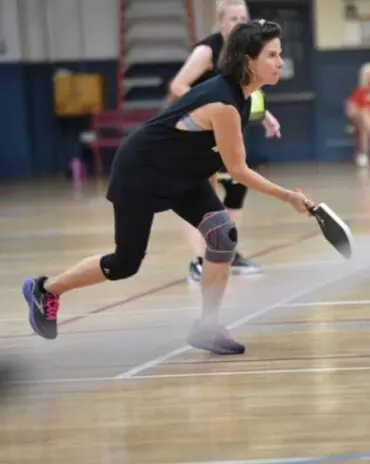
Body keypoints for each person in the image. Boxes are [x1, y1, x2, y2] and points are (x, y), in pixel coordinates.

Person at [21, 20, 313, 355]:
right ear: (249, 61)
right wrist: (288, 196)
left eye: (280, 54)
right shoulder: (224, 104)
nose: (279, 62)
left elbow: (212, 154)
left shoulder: (244, 96)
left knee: (222, 235)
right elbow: (238, 169)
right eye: (272, 55)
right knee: (125, 263)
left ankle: (207, 326)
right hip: (140, 172)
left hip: (182, 175)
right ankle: (46, 289)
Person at [169, 0, 279, 280]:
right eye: (233, 18)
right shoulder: (208, 50)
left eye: (244, 18)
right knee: (201, 195)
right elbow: (178, 85)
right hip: (197, 132)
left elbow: (244, 91)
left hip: (226, 130)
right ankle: (198, 260)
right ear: (220, 23)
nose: (239, 23)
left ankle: (228, 253)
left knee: (237, 189)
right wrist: (203, 107)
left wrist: (264, 114)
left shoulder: (244, 51)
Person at [345, 62, 370, 167]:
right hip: (362, 119)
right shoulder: (360, 91)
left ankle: (363, 154)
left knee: (366, 116)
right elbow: (352, 108)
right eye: (368, 74)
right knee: (364, 119)